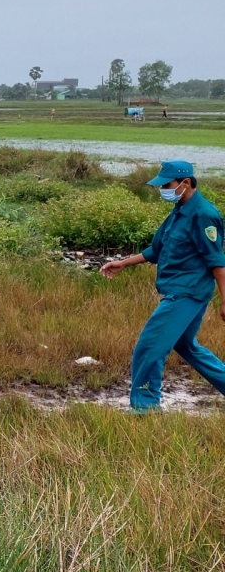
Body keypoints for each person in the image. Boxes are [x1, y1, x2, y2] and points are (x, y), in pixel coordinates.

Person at [99, 160, 225, 411]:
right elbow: (158, 249)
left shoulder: (203, 215)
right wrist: (123, 263)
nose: (162, 190)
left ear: (185, 183)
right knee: (185, 345)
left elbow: (217, 262)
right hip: (178, 290)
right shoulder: (179, 210)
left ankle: (144, 408)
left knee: (149, 346)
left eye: (166, 185)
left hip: (186, 293)